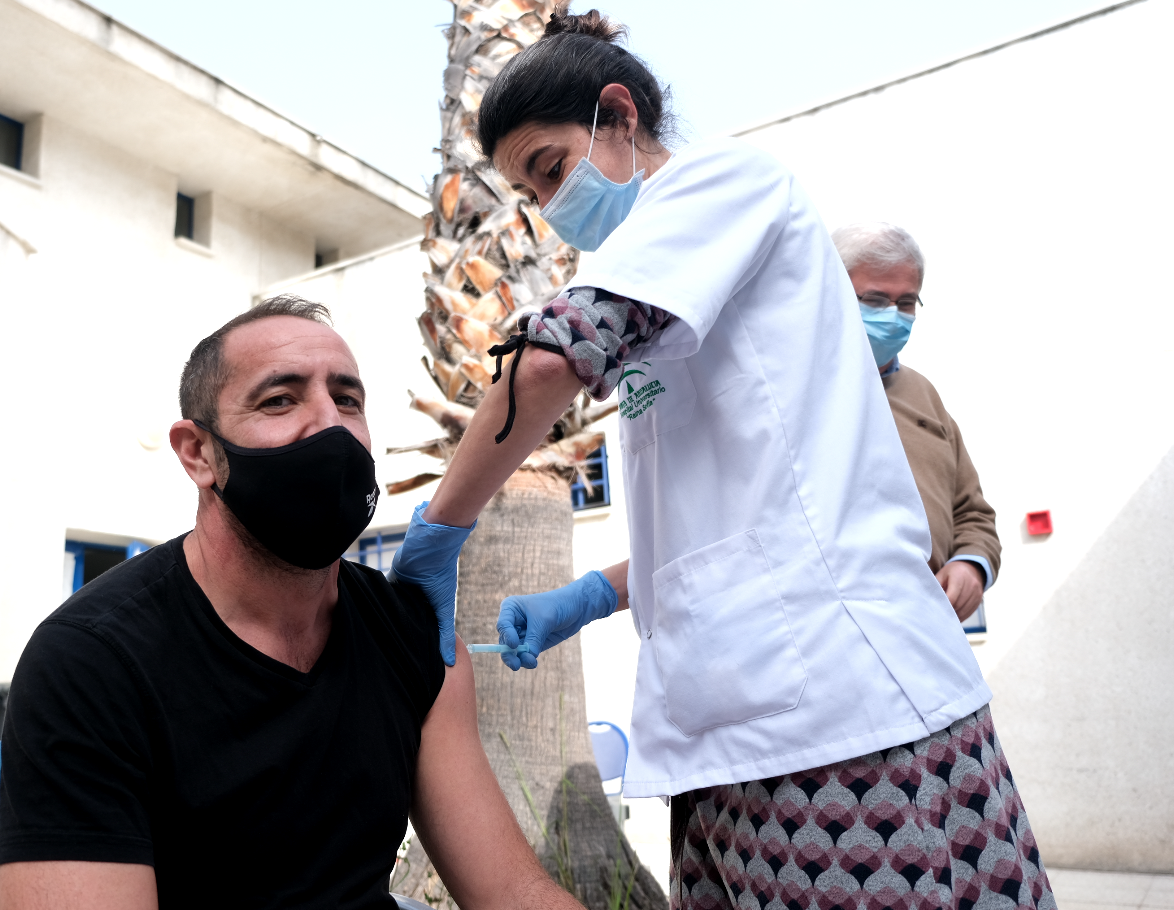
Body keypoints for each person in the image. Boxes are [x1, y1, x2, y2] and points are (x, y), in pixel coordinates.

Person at [389, 8, 1055, 910]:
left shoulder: (725, 182)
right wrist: (589, 598)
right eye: (530, 193)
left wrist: (438, 532)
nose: (548, 209)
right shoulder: (659, 290)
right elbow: (735, 523)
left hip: (850, 713)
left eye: (549, 168)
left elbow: (549, 361)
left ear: (619, 115)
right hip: (727, 733)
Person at [0, 296, 584, 910]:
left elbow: (512, 893)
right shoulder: (91, 663)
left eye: (347, 400)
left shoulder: (411, 638)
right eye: (279, 400)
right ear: (198, 452)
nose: (330, 425)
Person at [836, 222, 1001, 624]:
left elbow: (973, 514)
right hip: (836, 627)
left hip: (927, 624)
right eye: (875, 299)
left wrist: (971, 565)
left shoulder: (923, 394)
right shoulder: (791, 388)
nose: (893, 316)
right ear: (830, 288)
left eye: (907, 302)